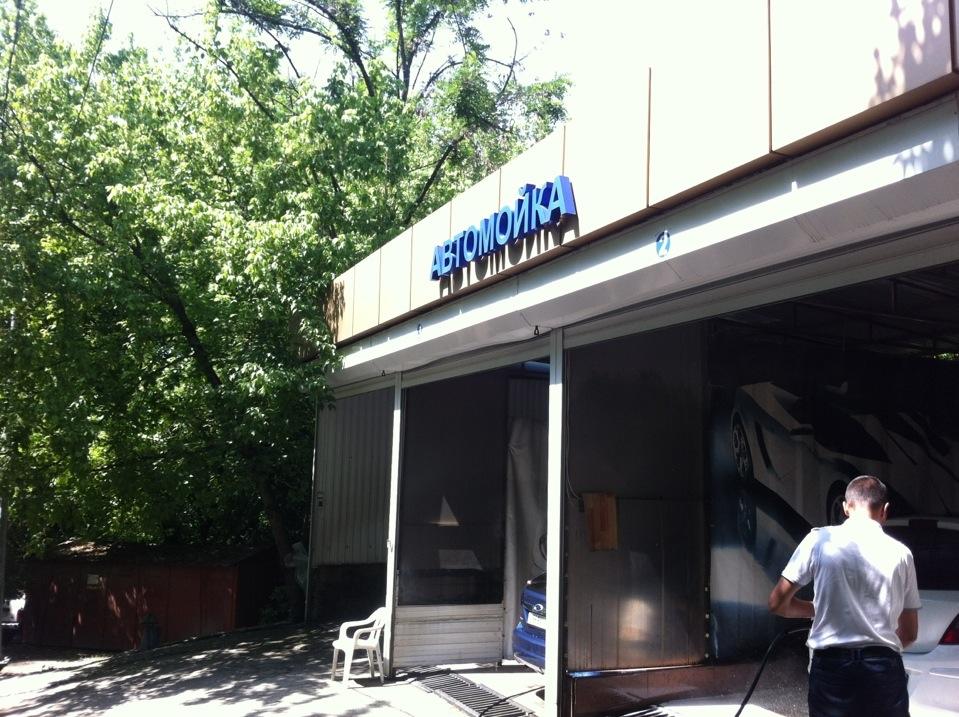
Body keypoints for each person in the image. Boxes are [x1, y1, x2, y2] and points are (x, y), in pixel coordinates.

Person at [767, 475, 920, 717]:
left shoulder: (818, 541)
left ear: (846, 508)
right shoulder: (902, 554)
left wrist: (815, 608)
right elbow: (909, 633)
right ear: (885, 511)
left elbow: (776, 603)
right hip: (883, 670)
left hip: (831, 669)